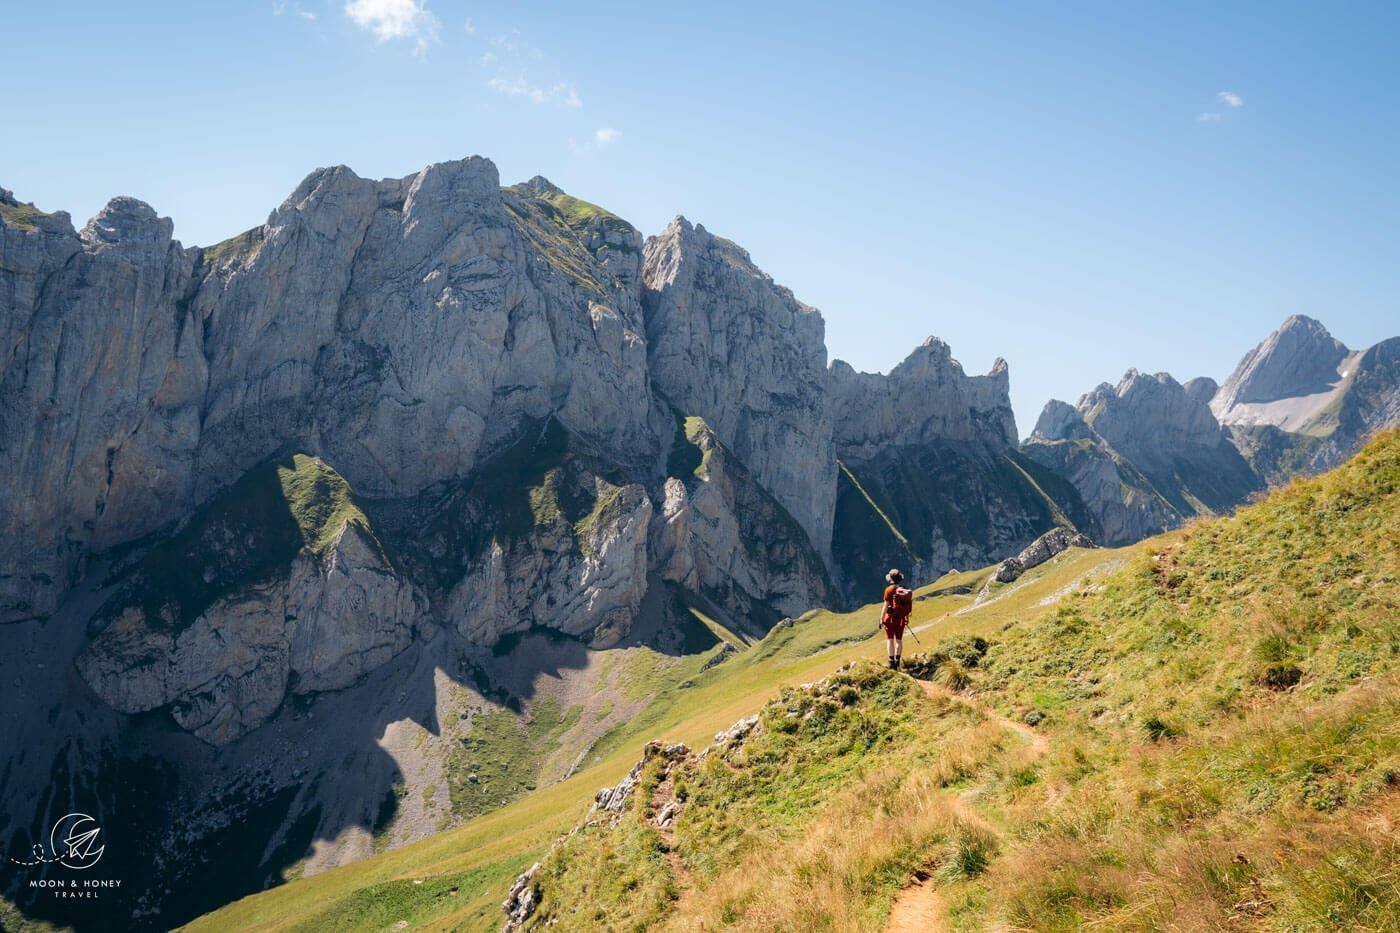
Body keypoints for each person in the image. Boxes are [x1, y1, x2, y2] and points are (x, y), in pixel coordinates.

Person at [880, 569, 914, 669]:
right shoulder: (904, 590)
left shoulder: (888, 590)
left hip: (890, 618)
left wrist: (881, 619)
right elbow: (905, 606)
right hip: (901, 619)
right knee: (899, 640)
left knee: (890, 640)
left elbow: (885, 606)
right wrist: (906, 618)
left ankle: (892, 663)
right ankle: (898, 662)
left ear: (890, 579)